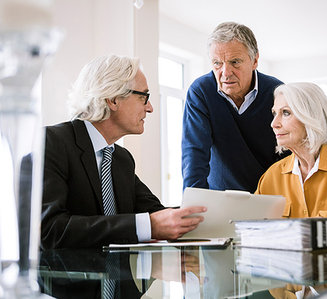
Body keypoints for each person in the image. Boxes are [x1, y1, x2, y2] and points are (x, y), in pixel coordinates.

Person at [41, 55, 206, 249]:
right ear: (112, 99)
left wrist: (217, 216)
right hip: (68, 278)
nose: (150, 108)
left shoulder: (122, 159)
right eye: (143, 96)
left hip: (121, 279)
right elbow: (49, 231)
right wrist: (149, 226)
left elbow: (159, 214)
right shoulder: (51, 143)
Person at [182, 22, 284, 192]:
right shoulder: (201, 91)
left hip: (268, 195)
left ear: (255, 60)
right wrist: (194, 208)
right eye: (217, 63)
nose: (225, 72)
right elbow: (194, 155)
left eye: (235, 62)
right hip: (220, 196)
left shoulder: (277, 92)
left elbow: (287, 153)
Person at [255, 82, 327, 218]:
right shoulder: (271, 177)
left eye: (286, 113)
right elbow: (253, 230)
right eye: (275, 113)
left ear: (311, 117)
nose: (274, 124)